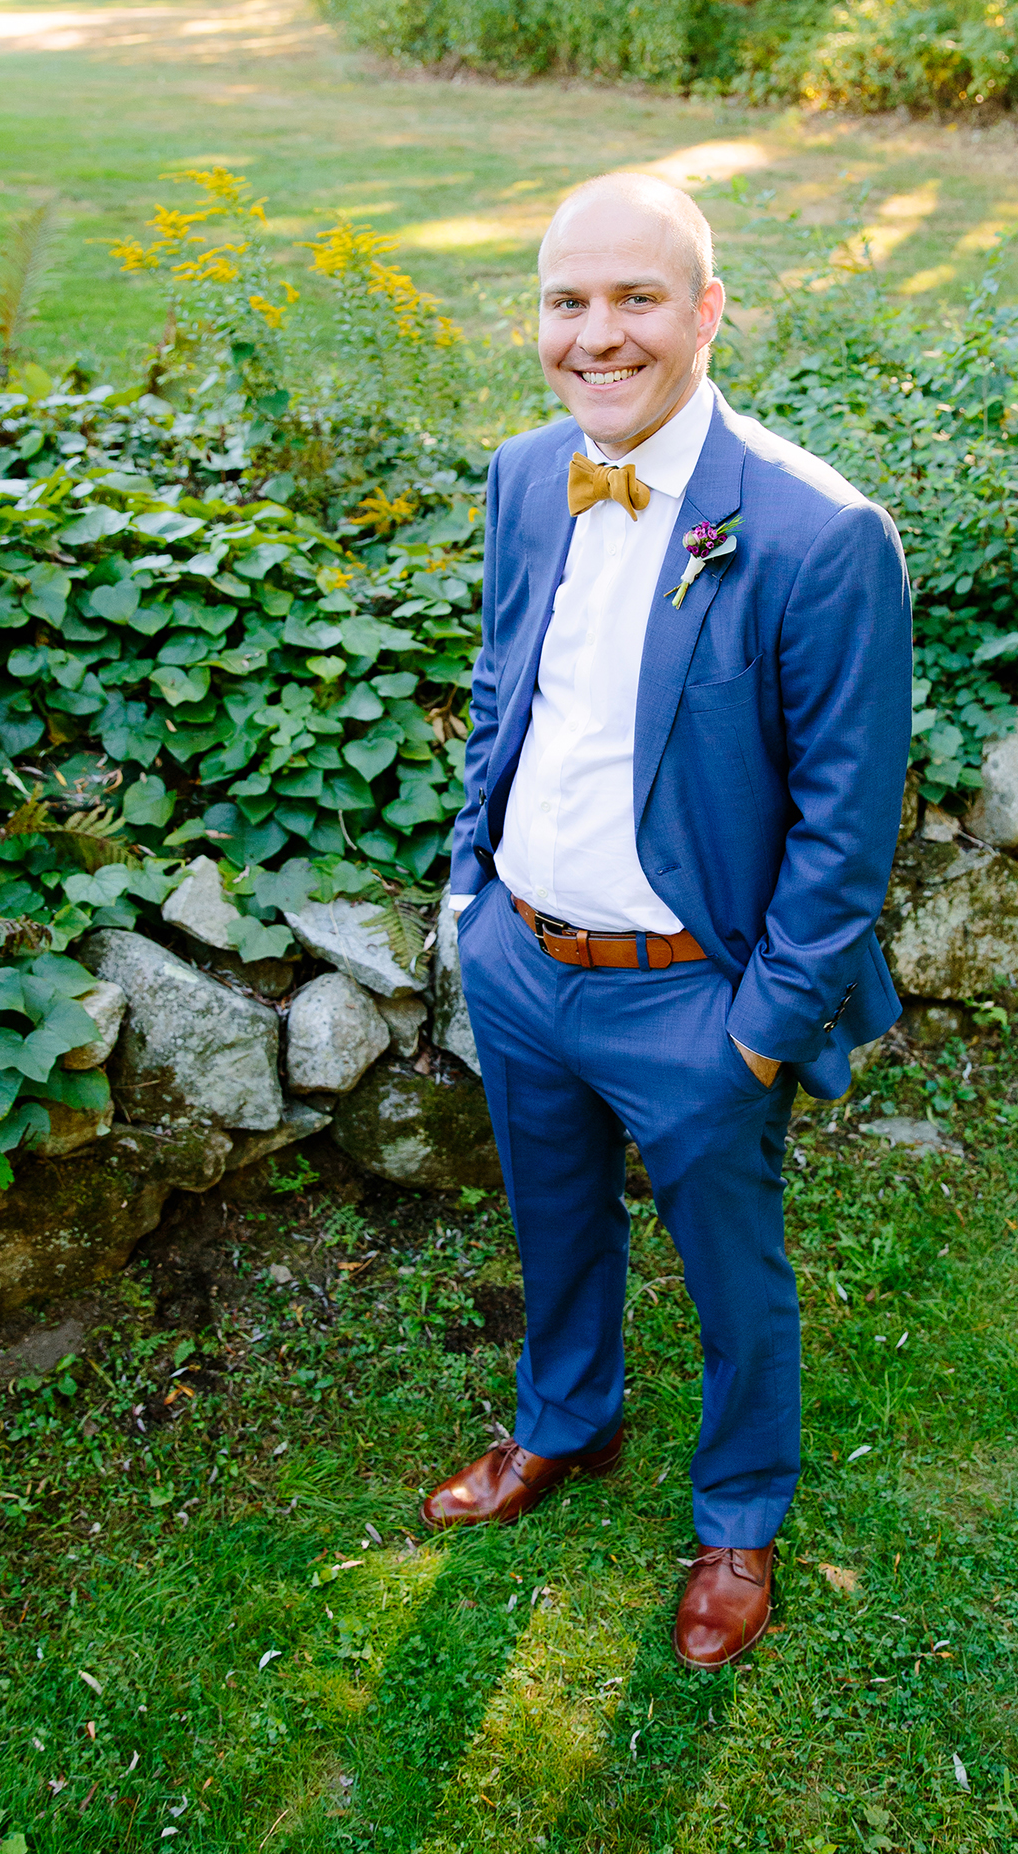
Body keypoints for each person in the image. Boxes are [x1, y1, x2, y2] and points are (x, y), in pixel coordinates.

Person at [419, 171, 911, 1669]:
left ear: (707, 313)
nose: (598, 334)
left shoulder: (821, 534)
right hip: (523, 959)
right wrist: (469, 893)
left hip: (695, 995)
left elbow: (846, 825)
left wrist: (761, 1032)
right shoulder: (525, 477)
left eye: (637, 298)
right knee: (553, 1219)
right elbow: (506, 690)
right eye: (568, 301)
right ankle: (565, 1420)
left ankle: (741, 1512)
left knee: (733, 1272)